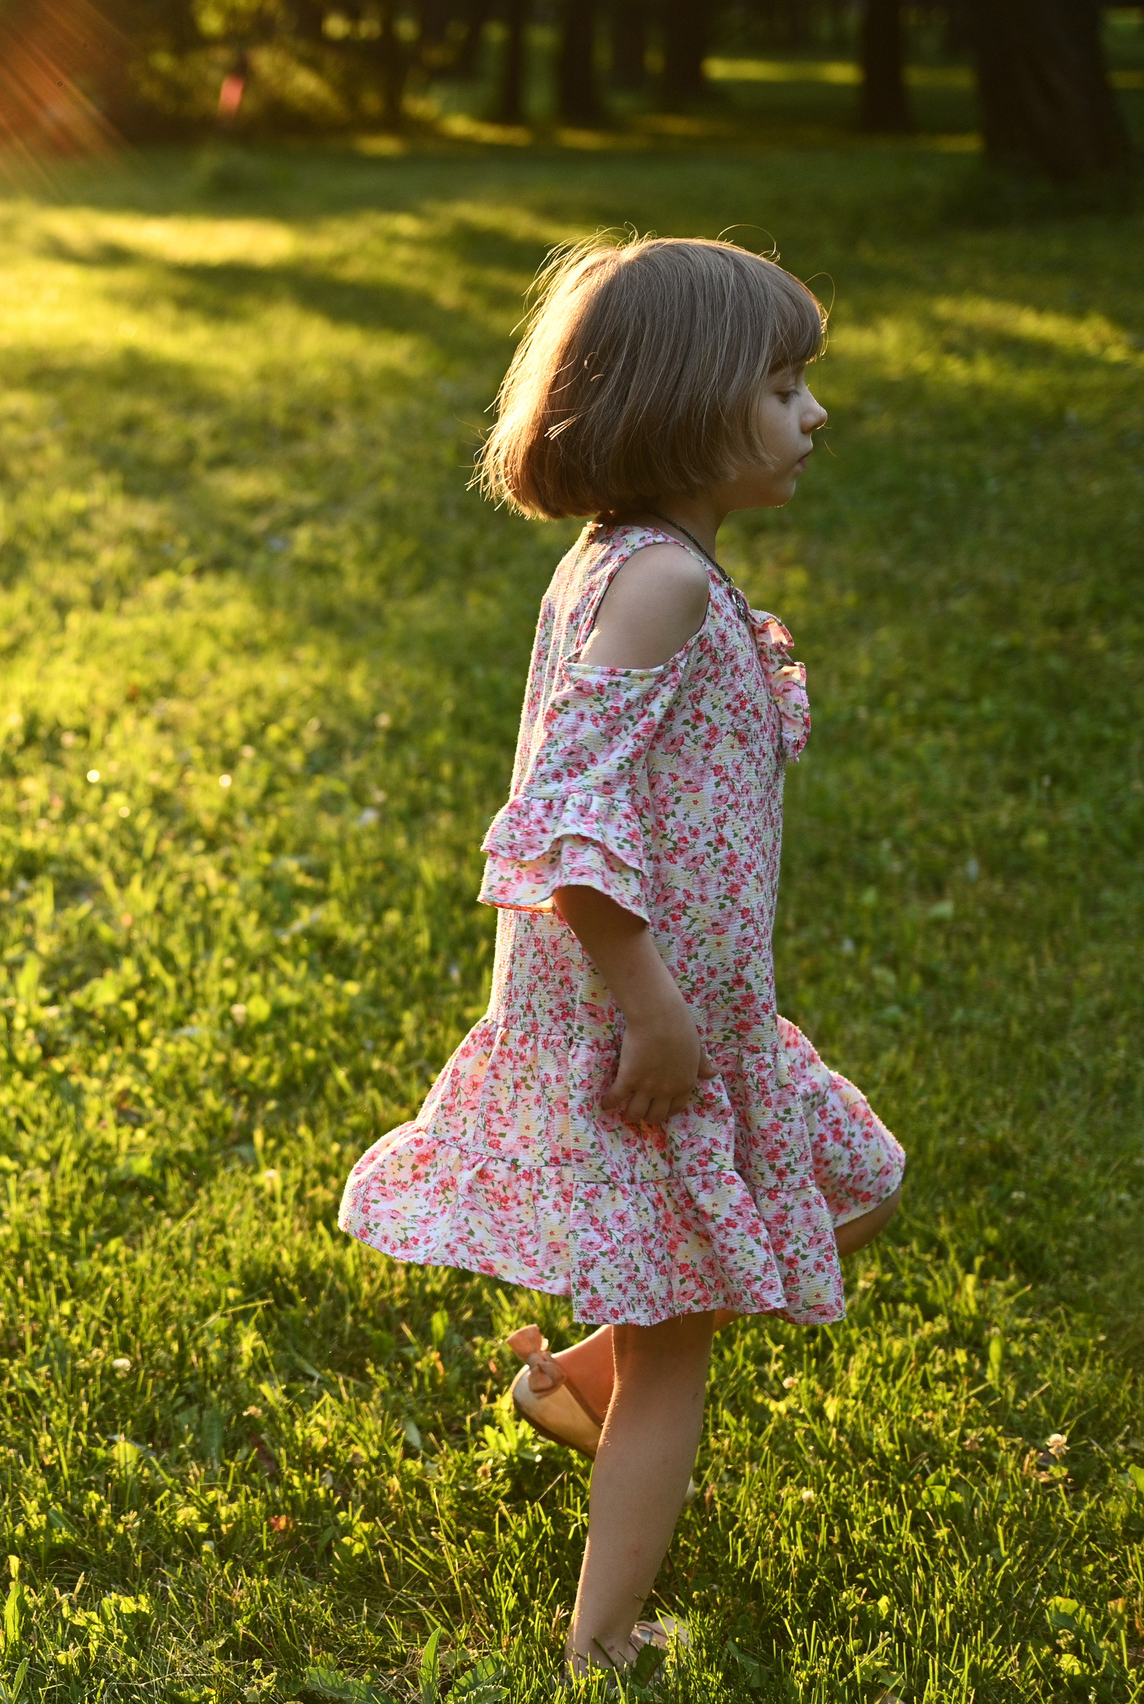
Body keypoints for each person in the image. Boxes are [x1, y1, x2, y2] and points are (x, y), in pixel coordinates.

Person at [335, 235, 906, 1671]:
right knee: (683, 1341)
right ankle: (601, 1645)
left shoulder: (643, 570)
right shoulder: (653, 586)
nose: (813, 416)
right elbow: (565, 820)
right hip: (649, 1029)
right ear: (686, 403)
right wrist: (652, 1016)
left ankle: (576, 1379)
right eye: (784, 387)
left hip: (704, 1016)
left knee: (858, 1187)